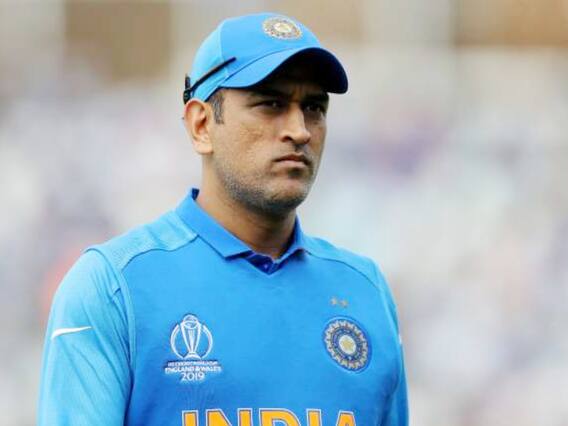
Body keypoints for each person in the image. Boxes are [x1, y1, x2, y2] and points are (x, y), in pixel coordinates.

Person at [38, 12, 408, 426]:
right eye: (271, 104)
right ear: (201, 125)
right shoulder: (113, 288)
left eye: (314, 107)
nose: (300, 130)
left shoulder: (365, 290)